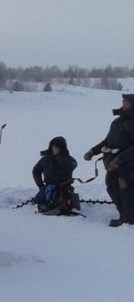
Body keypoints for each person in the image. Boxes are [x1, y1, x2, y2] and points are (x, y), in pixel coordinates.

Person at [83, 94, 134, 227]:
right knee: (112, 187)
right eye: (123, 102)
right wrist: (93, 151)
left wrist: (119, 160)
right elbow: (108, 141)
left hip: (128, 164)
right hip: (112, 163)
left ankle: (128, 220)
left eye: (127, 102)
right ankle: (125, 215)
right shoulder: (117, 122)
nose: (123, 104)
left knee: (126, 189)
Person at [32, 137, 78, 213]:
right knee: (40, 200)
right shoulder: (45, 159)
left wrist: (58, 156)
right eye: (54, 146)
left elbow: (69, 167)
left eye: (58, 146)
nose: (55, 148)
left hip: (64, 189)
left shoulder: (70, 160)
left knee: (63, 203)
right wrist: (40, 185)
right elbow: (36, 170)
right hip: (48, 188)